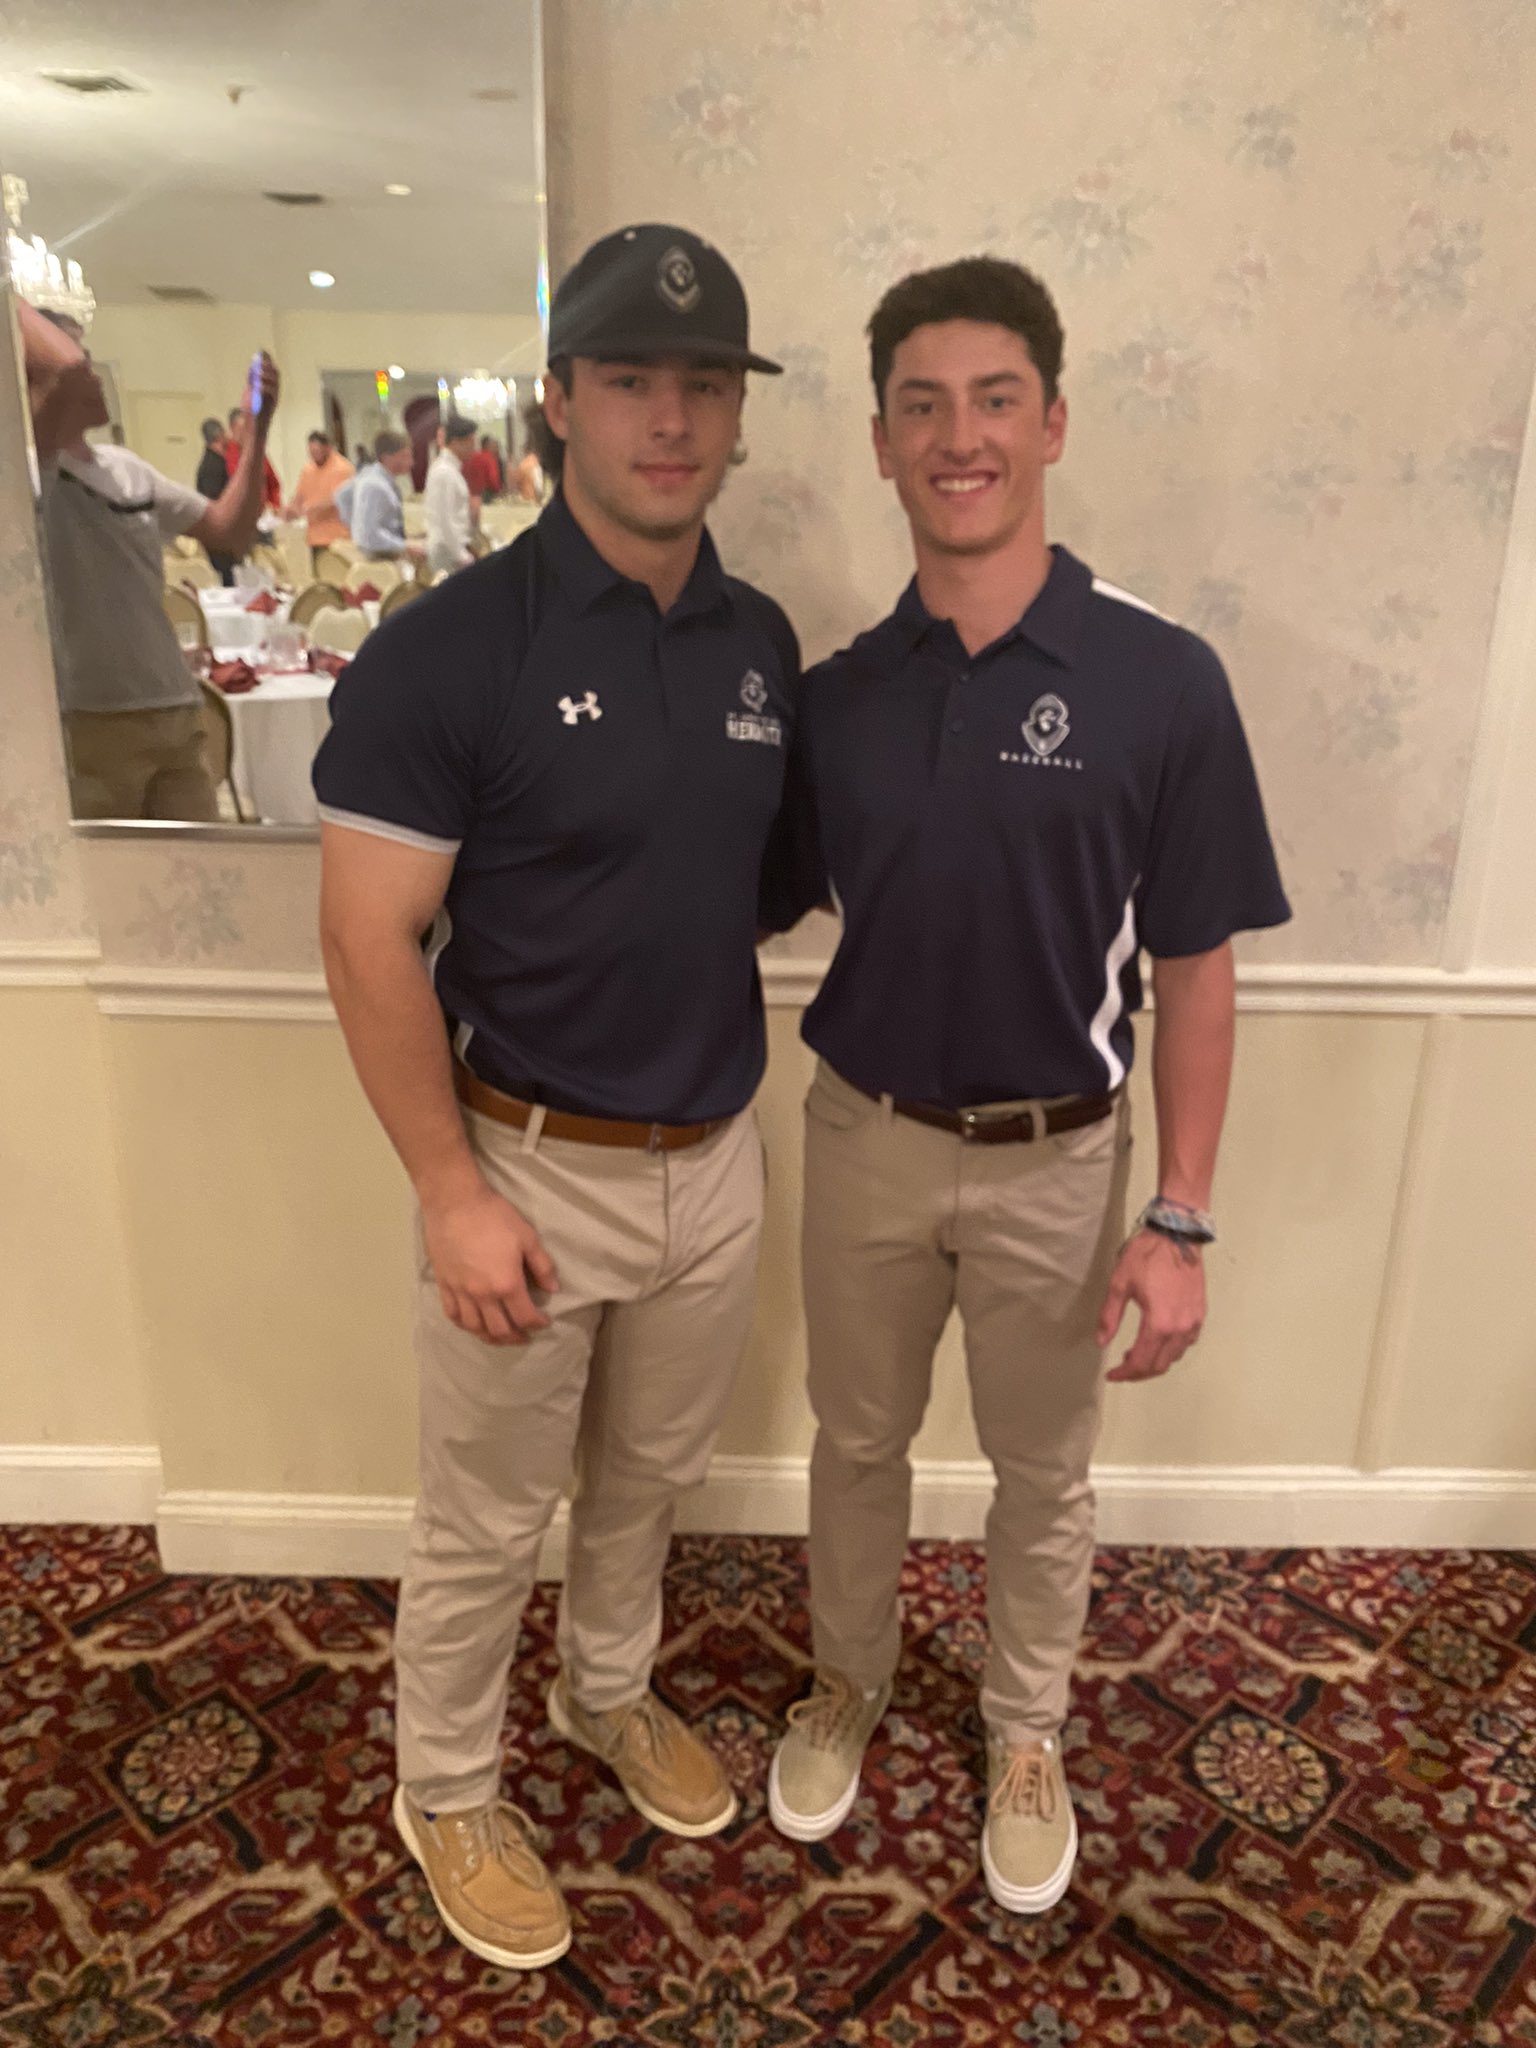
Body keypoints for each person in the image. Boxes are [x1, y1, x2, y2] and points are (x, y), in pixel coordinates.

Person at [761, 256, 1290, 1915]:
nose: (959, 437)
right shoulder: (837, 699)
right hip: (862, 1135)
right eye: (921, 406)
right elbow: (731, 892)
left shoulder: (1163, 680)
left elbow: (1196, 965)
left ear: (1052, 423)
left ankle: (1025, 1728)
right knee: (856, 1440)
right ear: (880, 441)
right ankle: (846, 1682)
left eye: (994, 400)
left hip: (1061, 1159)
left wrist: (1180, 1215)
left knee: (1043, 1472)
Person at [312, 223, 794, 1971]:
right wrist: (453, 1193)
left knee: (649, 1478)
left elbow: (744, 890)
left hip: (714, 1161)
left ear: (735, 415)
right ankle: (444, 1785)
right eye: (630, 380)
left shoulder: (760, 646)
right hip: (524, 1166)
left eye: (703, 385)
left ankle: (604, 1691)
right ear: (563, 401)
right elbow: (365, 937)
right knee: (485, 1518)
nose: (670, 418)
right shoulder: (450, 651)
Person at [20, 301, 281, 821]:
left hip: (172, 705)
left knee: (196, 863)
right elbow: (62, 368)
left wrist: (257, 430)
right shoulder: (26, 473)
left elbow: (230, 531)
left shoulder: (125, 469)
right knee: (113, 873)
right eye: (81, 360)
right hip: (87, 720)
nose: (91, 372)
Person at [335, 429, 421, 565]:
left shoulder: (370, 473)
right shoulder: (376, 486)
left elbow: (341, 495)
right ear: (388, 458)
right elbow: (372, 536)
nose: (411, 462)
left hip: (382, 549)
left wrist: (356, 526)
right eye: (405, 456)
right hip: (380, 558)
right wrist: (406, 546)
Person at [284, 430, 355, 568]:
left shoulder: (343, 468)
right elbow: (299, 497)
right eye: (311, 453)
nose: (313, 456)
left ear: (328, 448)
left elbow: (334, 500)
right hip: (314, 539)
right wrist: (290, 510)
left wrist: (308, 509)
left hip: (338, 539)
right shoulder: (308, 469)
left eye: (316, 452)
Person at [423, 413, 478, 575]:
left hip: (451, 550)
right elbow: (444, 519)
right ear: (456, 442)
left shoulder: (450, 470)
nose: (474, 448)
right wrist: (460, 555)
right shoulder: (444, 472)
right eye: (470, 442)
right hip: (446, 553)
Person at [196, 418, 237, 584]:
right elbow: (216, 503)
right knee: (230, 582)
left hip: (218, 535)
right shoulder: (213, 466)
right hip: (222, 537)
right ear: (220, 436)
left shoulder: (211, 463)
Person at [223, 405, 281, 513]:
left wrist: (274, 505)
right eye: (243, 429)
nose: (247, 434)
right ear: (232, 428)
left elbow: (273, 483)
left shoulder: (257, 453)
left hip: (265, 515)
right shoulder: (225, 455)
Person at [463, 433, 504, 501]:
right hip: (486, 494)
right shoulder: (489, 458)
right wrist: (498, 490)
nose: (497, 448)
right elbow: (493, 478)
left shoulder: (472, 457)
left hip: (470, 494)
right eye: (495, 445)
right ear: (487, 445)